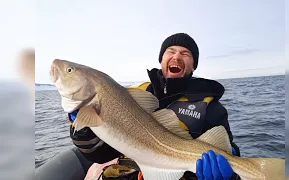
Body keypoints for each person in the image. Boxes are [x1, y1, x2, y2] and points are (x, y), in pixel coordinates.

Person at [68, 33, 241, 180]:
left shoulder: (211, 108)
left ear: (193, 65)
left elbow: (229, 151)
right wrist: (85, 129)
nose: (177, 57)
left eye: (185, 53)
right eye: (171, 51)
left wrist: (229, 173)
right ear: (161, 59)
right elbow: (100, 155)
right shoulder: (134, 96)